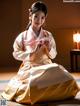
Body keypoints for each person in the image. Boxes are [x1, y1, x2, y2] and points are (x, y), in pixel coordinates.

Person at [1, 1, 79, 105]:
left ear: (45, 18)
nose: (39, 20)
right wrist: (31, 54)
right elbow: (16, 53)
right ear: (30, 16)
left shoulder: (48, 35)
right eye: (36, 16)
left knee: (66, 77)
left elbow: (53, 55)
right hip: (30, 67)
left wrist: (48, 47)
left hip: (47, 66)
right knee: (33, 82)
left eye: (42, 17)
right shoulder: (23, 36)